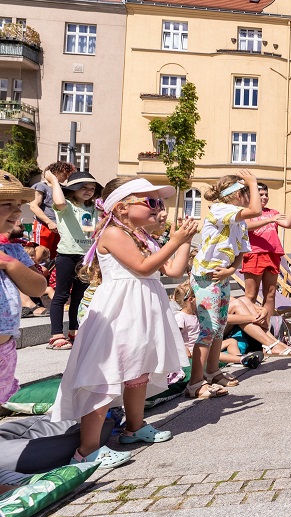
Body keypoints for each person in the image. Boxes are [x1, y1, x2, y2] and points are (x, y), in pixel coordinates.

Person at [52, 176, 197, 469]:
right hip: (120, 313)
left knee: (138, 370)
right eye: (151, 202)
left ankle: (135, 427)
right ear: (120, 208)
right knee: (105, 375)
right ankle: (88, 449)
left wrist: (183, 241)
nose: (159, 209)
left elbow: (173, 270)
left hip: (144, 311)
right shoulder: (114, 235)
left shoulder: (144, 237)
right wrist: (176, 241)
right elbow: (143, 268)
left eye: (160, 202)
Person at [187, 170, 262, 399]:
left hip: (221, 276)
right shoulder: (221, 210)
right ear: (238, 194)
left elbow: (239, 253)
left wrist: (231, 269)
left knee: (219, 328)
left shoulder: (238, 221)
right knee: (208, 330)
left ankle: (212, 372)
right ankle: (195, 383)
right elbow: (256, 210)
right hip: (205, 277)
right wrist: (253, 181)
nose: (252, 195)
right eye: (248, 191)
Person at [0, 171, 48, 407]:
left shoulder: (12, 251)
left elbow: (39, 287)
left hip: (4, 349)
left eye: (18, 204)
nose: (18, 212)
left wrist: (8, 263)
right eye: (8, 204)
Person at [44, 170, 101, 351]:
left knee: (79, 296)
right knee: (61, 294)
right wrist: (54, 181)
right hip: (67, 255)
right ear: (72, 189)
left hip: (86, 257)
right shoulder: (66, 205)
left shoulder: (93, 208)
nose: (88, 191)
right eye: (83, 187)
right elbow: (59, 201)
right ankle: (56, 335)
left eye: (92, 188)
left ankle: (74, 330)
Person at [242, 183, 291, 324]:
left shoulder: (272, 212)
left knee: (270, 294)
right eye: (261, 194)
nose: (264, 197)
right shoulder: (247, 211)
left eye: (266, 194)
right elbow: (246, 226)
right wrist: (269, 220)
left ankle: (266, 327)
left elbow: (288, 224)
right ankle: (248, 325)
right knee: (251, 295)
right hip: (254, 254)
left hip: (272, 254)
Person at [28, 161, 75, 256]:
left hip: (59, 227)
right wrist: (49, 222)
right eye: (65, 173)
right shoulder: (41, 186)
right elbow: (34, 206)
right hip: (44, 225)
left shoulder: (62, 189)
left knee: (54, 255)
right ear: (57, 172)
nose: (67, 177)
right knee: (40, 253)